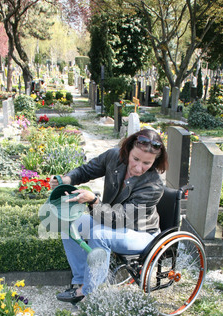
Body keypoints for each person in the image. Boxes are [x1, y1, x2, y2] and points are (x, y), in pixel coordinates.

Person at [50, 128, 169, 304]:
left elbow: (120, 220)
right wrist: (67, 179)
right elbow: (87, 170)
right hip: (108, 220)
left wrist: (94, 201)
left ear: (155, 161)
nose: (138, 167)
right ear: (128, 150)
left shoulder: (153, 186)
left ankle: (91, 293)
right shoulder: (114, 157)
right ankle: (81, 280)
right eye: (135, 159)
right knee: (70, 224)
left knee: (100, 234)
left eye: (147, 163)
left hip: (141, 233)